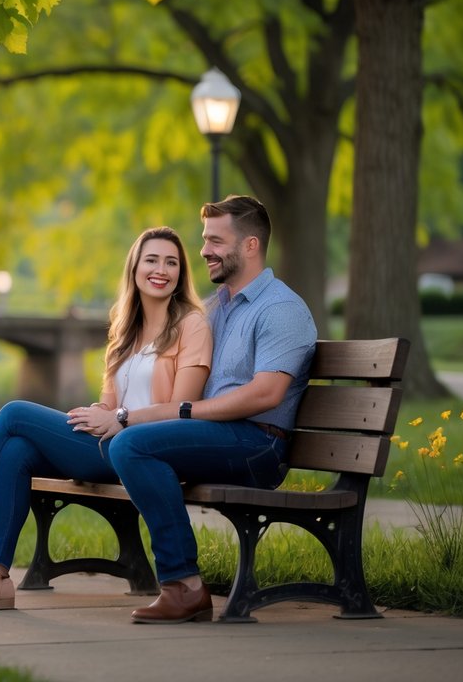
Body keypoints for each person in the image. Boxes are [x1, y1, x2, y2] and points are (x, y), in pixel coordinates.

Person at [0, 226, 213, 612]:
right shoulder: (125, 331)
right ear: (134, 268)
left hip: (145, 450)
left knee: (13, 413)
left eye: (171, 262)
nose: (160, 269)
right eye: (151, 260)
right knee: (16, 450)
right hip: (111, 441)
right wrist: (99, 412)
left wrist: (122, 419)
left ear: (181, 273)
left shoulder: (191, 325)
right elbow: (109, 402)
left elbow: (183, 407)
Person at [98, 194, 318, 624]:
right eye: (204, 239)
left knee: (131, 447)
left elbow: (266, 395)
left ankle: (184, 586)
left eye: (215, 240)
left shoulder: (281, 308)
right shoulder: (215, 310)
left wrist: (183, 413)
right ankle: (182, 585)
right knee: (126, 443)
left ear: (250, 246)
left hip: (258, 445)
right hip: (220, 436)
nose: (203, 251)